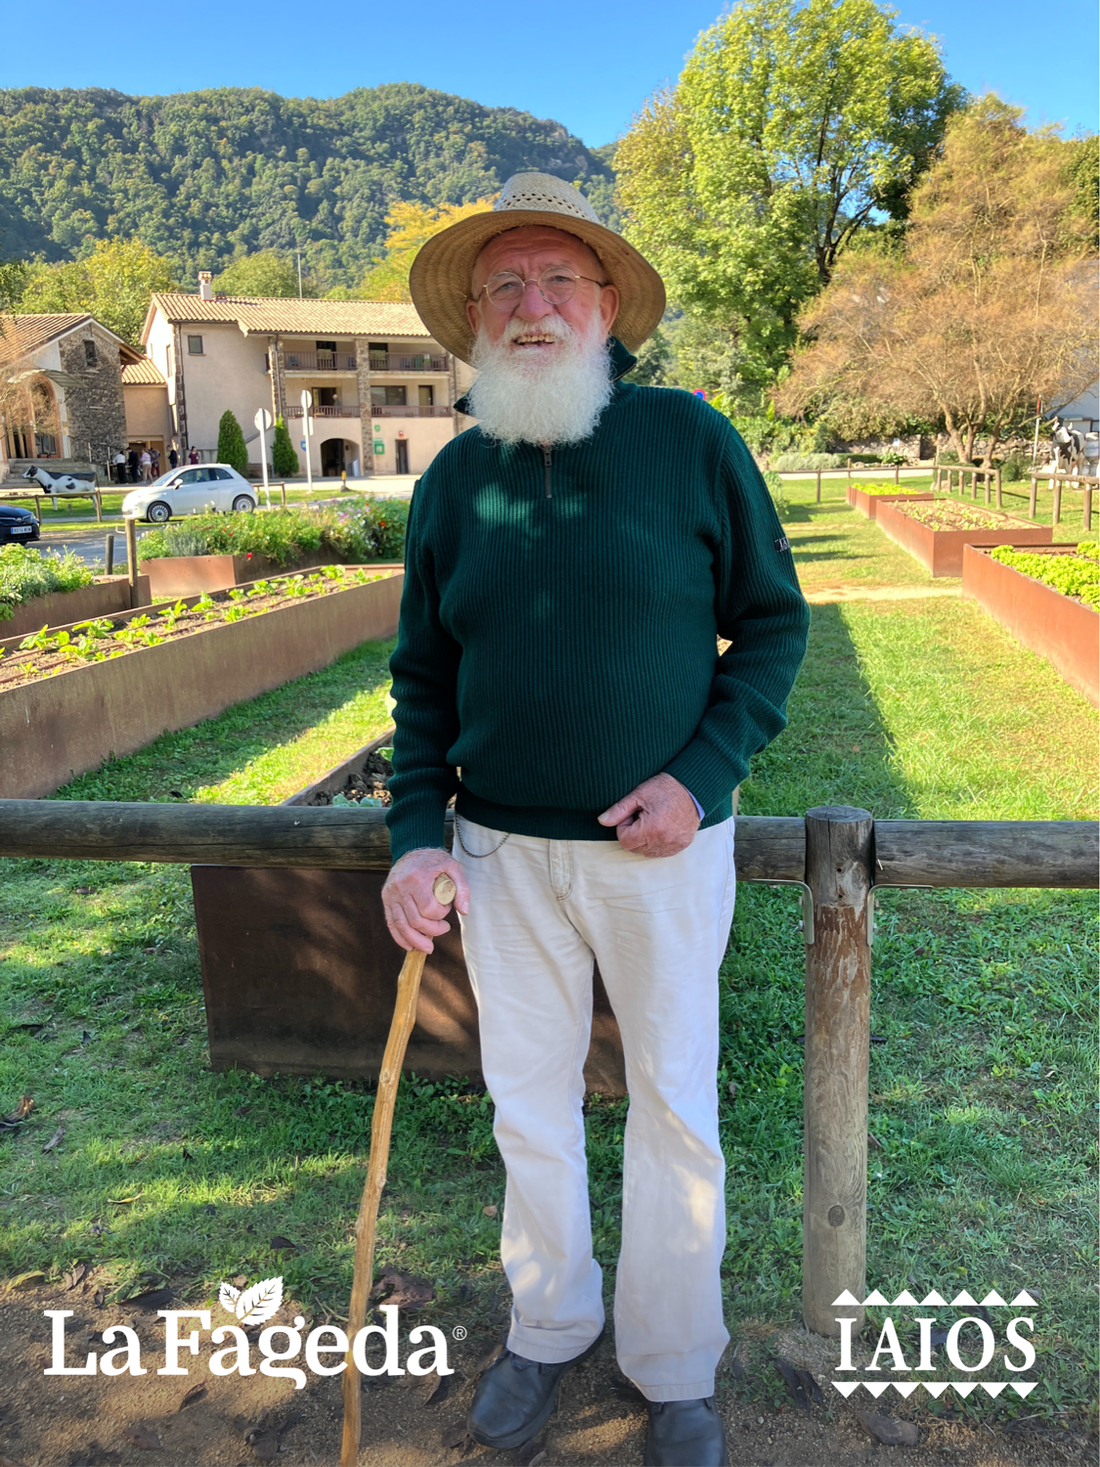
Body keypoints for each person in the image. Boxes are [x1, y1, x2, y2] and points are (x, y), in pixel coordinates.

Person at [382, 174, 809, 1467]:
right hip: (499, 858)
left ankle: (675, 1365)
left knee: (674, 1104)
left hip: (662, 849)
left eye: (558, 279)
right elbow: (422, 682)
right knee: (527, 1105)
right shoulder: (454, 483)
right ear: (474, 318)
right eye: (503, 285)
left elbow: (773, 625)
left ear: (608, 305)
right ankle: (549, 1325)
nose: (532, 305)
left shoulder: (690, 440)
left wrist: (702, 774)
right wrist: (415, 834)